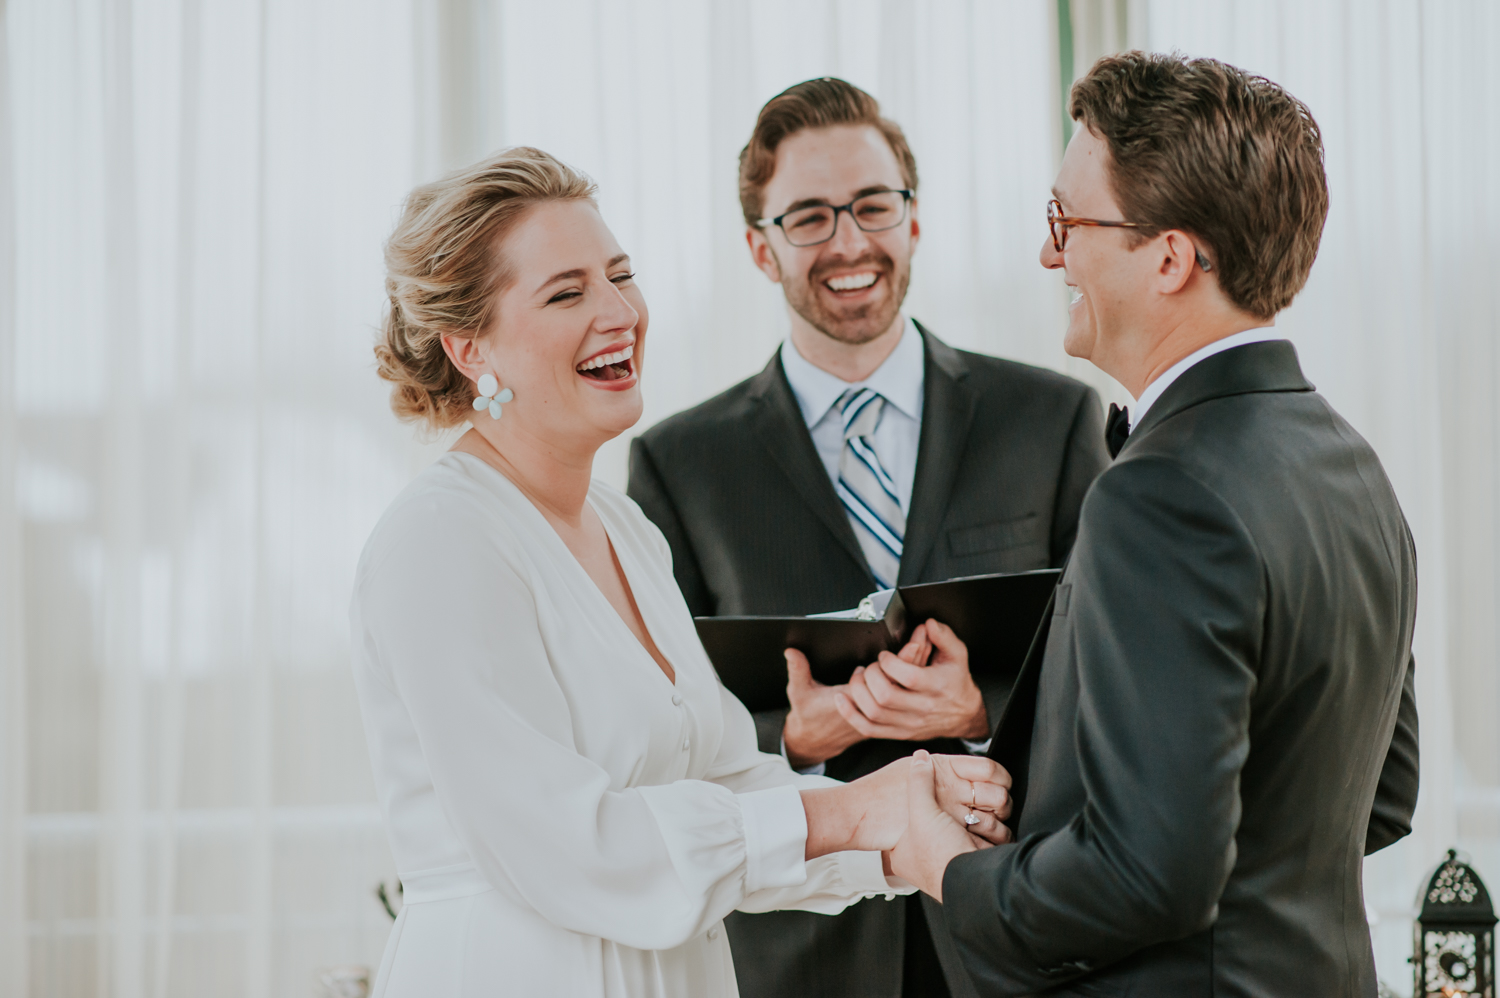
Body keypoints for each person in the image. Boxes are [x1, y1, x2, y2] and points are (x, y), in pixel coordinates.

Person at [349, 147, 1012, 998]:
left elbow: (727, 785)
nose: (619, 311)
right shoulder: (441, 543)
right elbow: (564, 846)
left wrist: (907, 812)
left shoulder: (626, 531)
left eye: (621, 276)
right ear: (471, 348)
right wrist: (850, 811)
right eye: (567, 292)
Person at [890, 52, 1421, 996]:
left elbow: (1147, 875)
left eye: (1068, 222)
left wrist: (948, 866)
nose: (1051, 254)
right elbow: (1376, 799)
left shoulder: (1161, 493)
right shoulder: (1347, 461)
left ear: (1170, 257)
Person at [626, 78, 1109, 997]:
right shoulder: (677, 467)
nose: (849, 242)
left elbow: (1111, 667)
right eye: (808, 217)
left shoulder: (1048, 419)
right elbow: (659, 732)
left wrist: (980, 713)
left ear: (913, 220)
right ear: (760, 250)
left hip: (1012, 926)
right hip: (800, 953)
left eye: (873, 206)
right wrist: (791, 743)